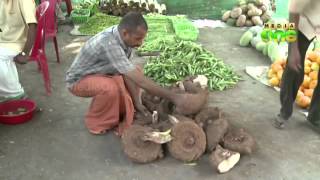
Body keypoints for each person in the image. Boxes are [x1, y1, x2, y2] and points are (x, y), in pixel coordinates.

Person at [66, 12, 196, 135]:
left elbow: (130, 74)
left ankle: (123, 109)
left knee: (136, 71)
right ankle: (97, 124)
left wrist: (137, 102)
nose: (140, 43)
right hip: (78, 81)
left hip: (101, 72)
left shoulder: (123, 37)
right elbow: (141, 82)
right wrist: (174, 97)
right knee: (110, 88)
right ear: (125, 33)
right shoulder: (109, 42)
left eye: (142, 39)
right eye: (138, 39)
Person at [274, 0, 320, 129]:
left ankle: (315, 116)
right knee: (294, 68)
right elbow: (293, 11)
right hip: (303, 22)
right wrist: (293, 49)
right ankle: (285, 112)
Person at [0, 0, 37, 101]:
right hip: (4, 40)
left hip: (20, 43)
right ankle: (7, 94)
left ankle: (17, 94)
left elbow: (32, 26)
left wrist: (25, 53)